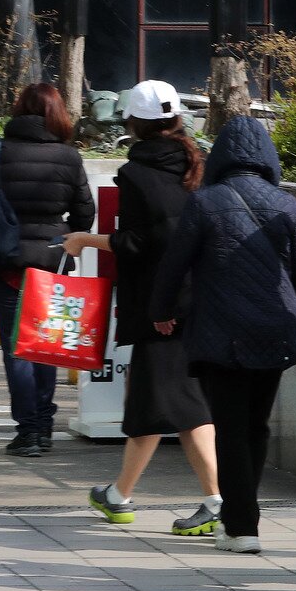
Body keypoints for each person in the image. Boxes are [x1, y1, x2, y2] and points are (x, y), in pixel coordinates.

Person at [61, 80, 220, 536]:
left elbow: (140, 242)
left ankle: (207, 500)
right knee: (168, 403)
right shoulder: (196, 162)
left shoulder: (136, 173)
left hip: (161, 305)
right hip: (197, 299)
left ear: (132, 122)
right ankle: (121, 494)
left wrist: (85, 240)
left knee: (170, 405)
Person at [149, 115, 296, 554]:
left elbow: (174, 264)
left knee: (231, 426)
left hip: (222, 330)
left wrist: (161, 311)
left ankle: (241, 526)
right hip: (275, 329)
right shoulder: (287, 204)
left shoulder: (205, 202)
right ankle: (245, 519)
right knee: (256, 426)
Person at [0, 82, 94, 458]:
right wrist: (66, 238)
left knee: (16, 348)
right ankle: (44, 426)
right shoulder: (68, 157)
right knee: (46, 345)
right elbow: (85, 211)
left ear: (19, 109)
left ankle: (28, 430)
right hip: (53, 263)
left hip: (7, 263)